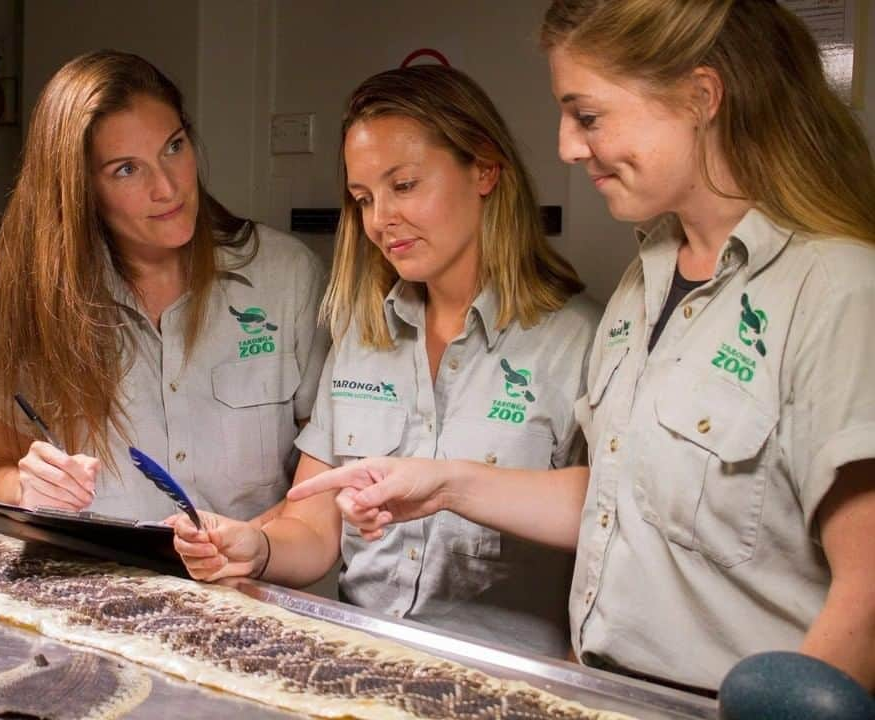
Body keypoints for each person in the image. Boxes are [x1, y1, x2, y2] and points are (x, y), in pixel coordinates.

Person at [287, 0, 875, 694]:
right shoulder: (645, 284)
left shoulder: (838, 288)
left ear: (700, 97)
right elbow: (614, 503)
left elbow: (866, 596)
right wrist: (445, 483)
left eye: (588, 116)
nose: (567, 145)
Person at [169, 64, 599, 658]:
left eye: (403, 186)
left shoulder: (580, 341)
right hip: (361, 662)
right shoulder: (363, 335)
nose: (380, 221)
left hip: (500, 680)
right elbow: (314, 528)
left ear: (485, 169)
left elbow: (611, 531)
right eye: (364, 199)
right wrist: (256, 548)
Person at [0, 50, 329, 522]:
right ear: (80, 188)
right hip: (97, 585)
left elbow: (326, 480)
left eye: (173, 147)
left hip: (249, 585)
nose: (167, 189)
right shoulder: (38, 298)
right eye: (126, 170)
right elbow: (0, 466)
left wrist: (250, 549)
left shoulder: (285, 275)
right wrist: (28, 486)